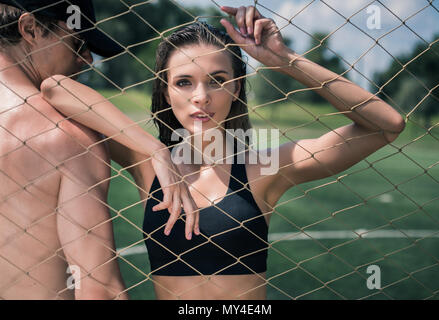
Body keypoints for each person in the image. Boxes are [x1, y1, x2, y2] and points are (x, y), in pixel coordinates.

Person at [41, 5, 405, 300]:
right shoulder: (147, 165)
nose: (201, 96)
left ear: (235, 89)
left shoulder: (264, 167)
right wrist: (156, 150)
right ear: (166, 93)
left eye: (217, 80)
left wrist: (282, 59)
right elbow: (56, 88)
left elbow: (386, 124)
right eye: (184, 82)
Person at [0, 0, 197, 300]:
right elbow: (98, 287)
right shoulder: (64, 137)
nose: (88, 60)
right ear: (30, 29)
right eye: (78, 44)